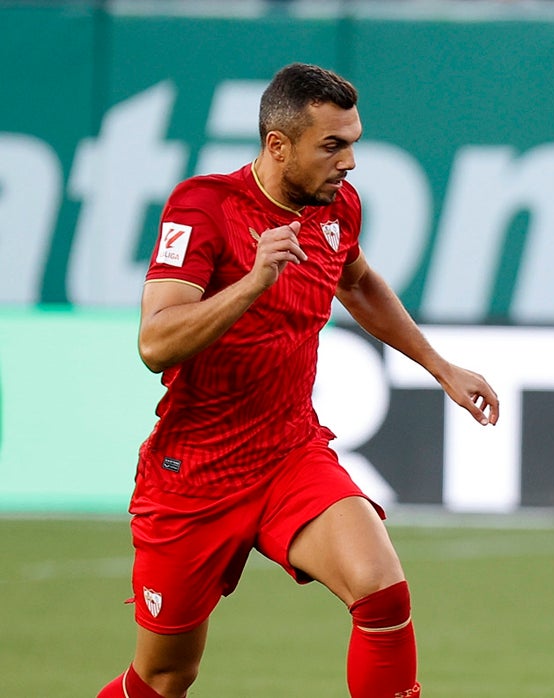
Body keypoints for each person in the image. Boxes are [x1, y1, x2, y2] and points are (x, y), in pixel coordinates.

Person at [97, 62, 499, 698]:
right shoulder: (205, 207)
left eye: (354, 142)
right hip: (195, 474)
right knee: (166, 675)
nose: (350, 162)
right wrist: (253, 283)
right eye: (333, 145)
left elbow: (358, 282)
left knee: (382, 590)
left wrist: (440, 365)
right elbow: (155, 342)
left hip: (289, 454)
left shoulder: (337, 207)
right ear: (277, 145)